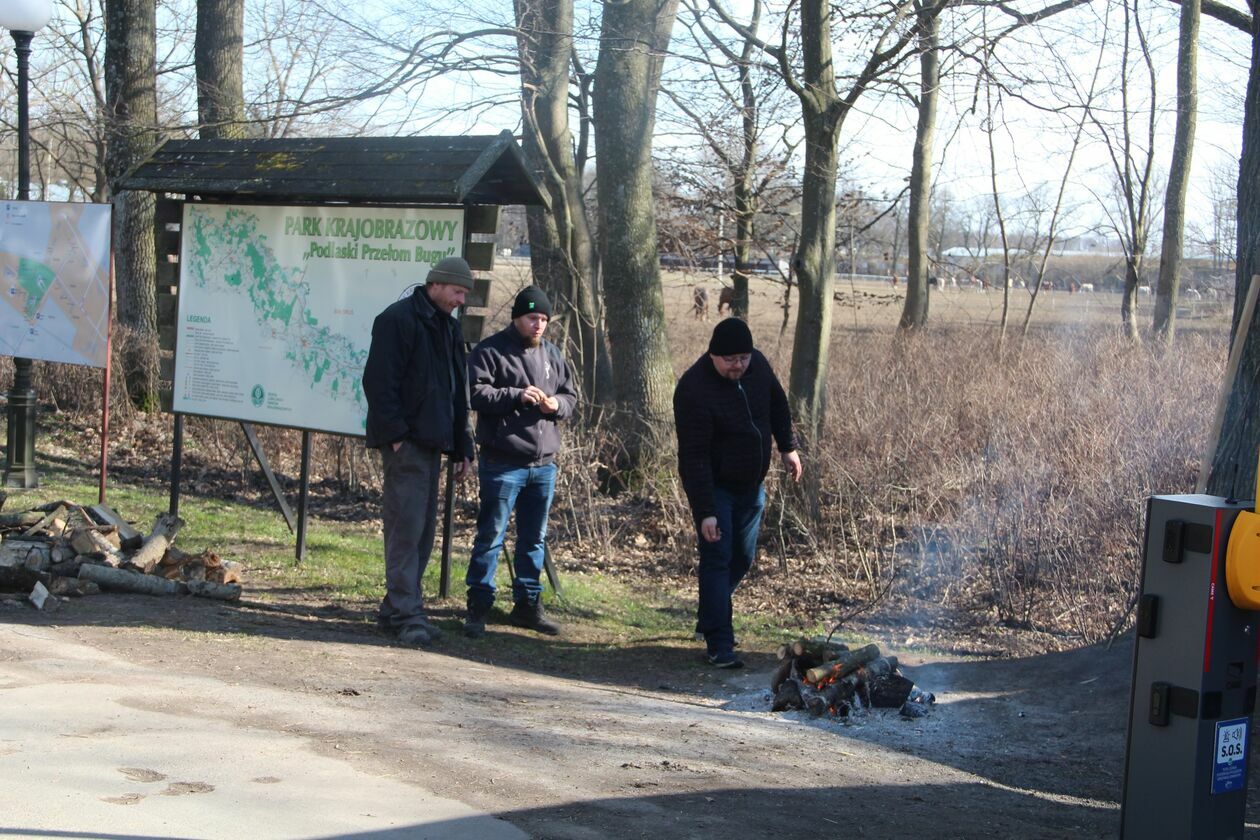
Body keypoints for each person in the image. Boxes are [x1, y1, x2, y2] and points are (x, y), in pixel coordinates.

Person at [673, 318, 802, 668]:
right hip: (717, 489)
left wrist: (787, 447)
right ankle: (720, 645)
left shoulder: (757, 366)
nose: (739, 366)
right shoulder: (693, 389)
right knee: (717, 558)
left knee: (741, 559)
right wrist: (706, 512)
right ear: (713, 355)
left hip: (751, 486)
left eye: (743, 357)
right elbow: (693, 457)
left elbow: (778, 404)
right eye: (730, 359)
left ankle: (711, 612)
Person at [362, 256, 475, 647]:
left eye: (464, 293)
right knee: (406, 531)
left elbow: (456, 392)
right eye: (458, 291)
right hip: (407, 443)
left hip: (433, 444)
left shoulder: (448, 327)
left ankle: (394, 611)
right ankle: (409, 614)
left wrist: (464, 446)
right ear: (437, 285)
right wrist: (396, 436)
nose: (461, 299)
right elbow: (378, 382)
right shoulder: (397, 320)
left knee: (421, 532)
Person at [463, 286, 579, 638]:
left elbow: (571, 397)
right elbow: (474, 393)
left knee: (534, 539)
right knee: (491, 535)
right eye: (533, 318)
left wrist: (556, 405)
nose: (539, 325)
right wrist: (516, 395)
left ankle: (528, 606)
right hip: (503, 462)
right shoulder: (491, 351)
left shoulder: (553, 355)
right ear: (517, 317)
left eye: (544, 319)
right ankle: (479, 606)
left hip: (543, 464)